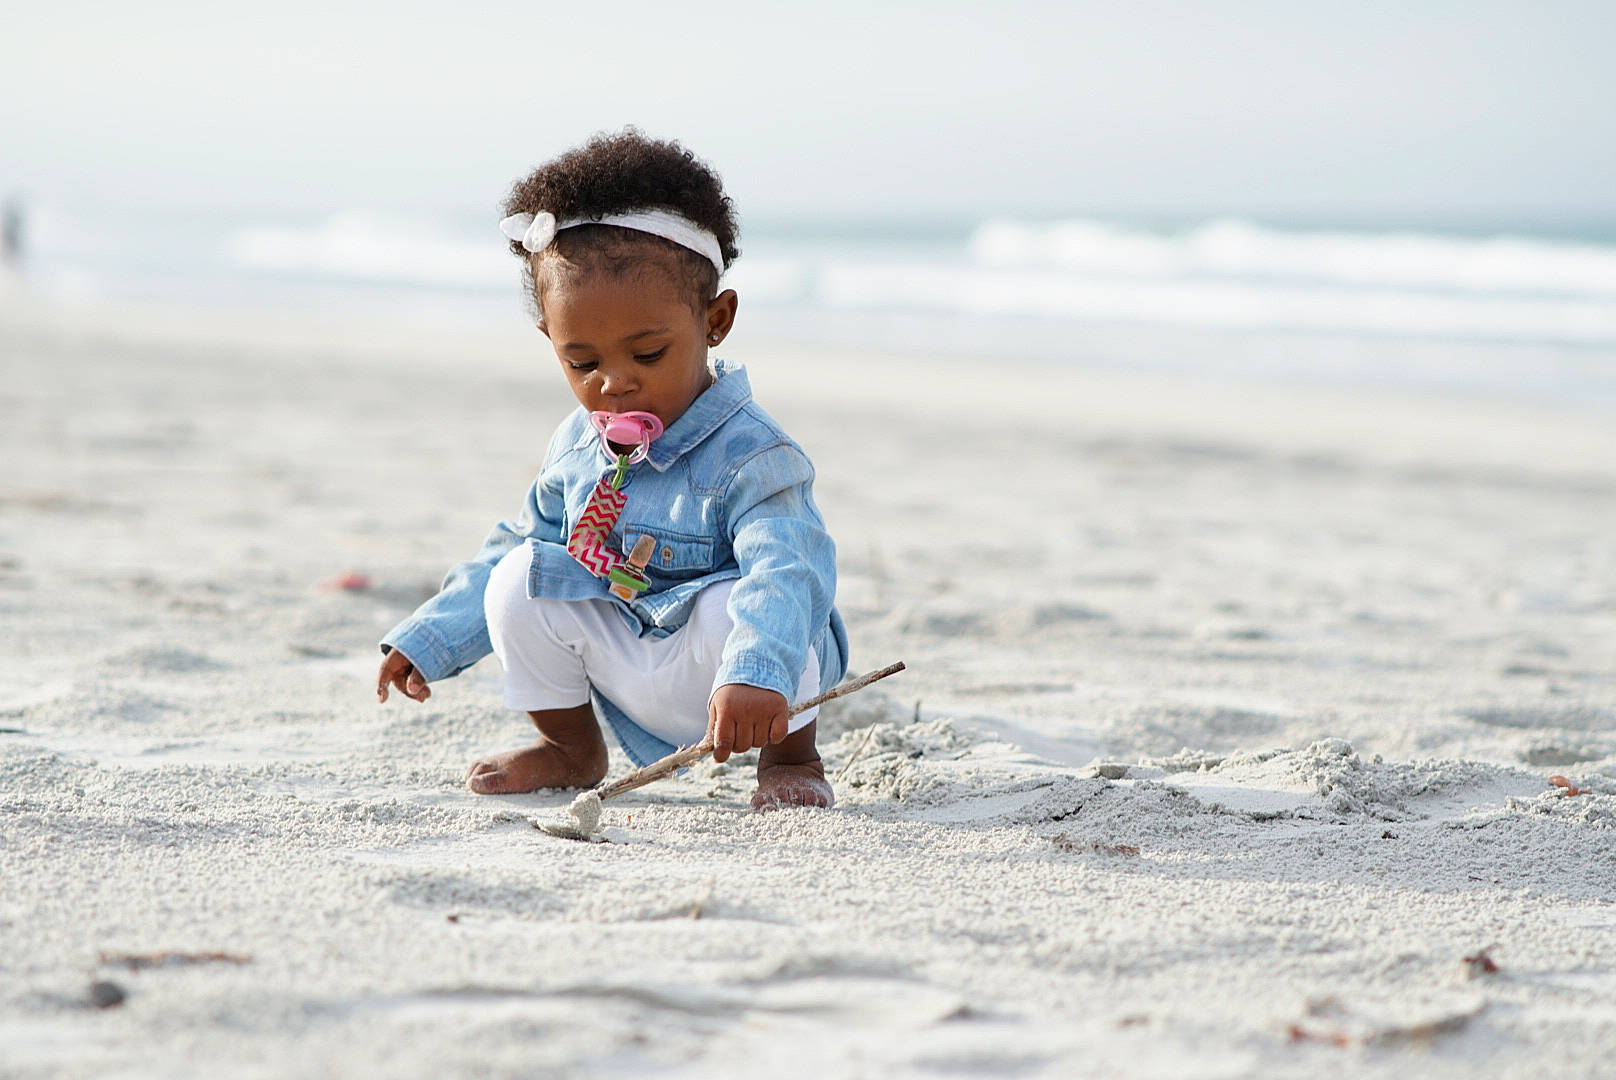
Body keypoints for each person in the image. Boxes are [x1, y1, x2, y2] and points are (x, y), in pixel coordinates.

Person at [375, 130, 847, 811]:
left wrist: (757, 672)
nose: (613, 385)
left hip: (751, 678)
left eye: (648, 354)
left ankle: (792, 760)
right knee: (520, 578)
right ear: (551, 342)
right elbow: (516, 542)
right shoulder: (576, 448)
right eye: (583, 362)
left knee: (735, 601)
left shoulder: (753, 455)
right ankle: (572, 748)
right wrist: (431, 638)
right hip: (632, 654)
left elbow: (790, 573)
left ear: (715, 320)